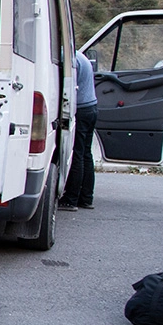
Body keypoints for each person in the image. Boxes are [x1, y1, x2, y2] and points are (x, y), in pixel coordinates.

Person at [59, 49, 98, 211]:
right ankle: (86, 198)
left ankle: (71, 199)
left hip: (81, 110)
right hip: (91, 107)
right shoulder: (81, 56)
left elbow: (68, 88)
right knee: (86, 154)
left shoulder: (68, 58)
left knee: (76, 154)